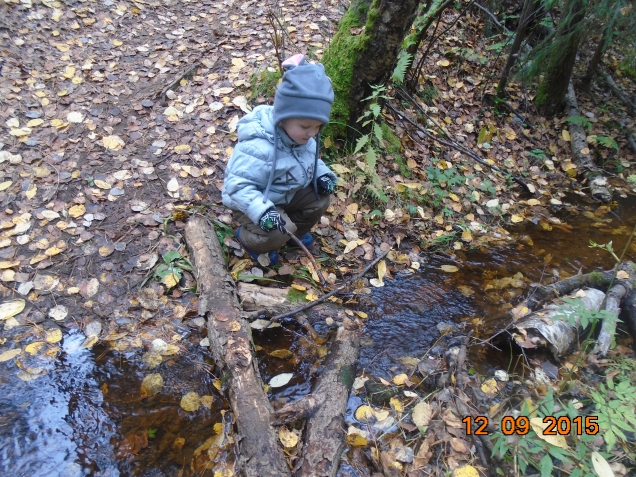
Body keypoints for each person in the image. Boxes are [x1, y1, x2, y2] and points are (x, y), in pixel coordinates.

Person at [222, 54, 337, 265]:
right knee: (279, 229)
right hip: (251, 201)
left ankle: (294, 235)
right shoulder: (258, 146)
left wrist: (322, 175)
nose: (312, 133)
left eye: (318, 127)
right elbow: (236, 186)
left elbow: (308, 161)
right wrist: (262, 212)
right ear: (283, 117)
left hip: (284, 192)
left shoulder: (301, 136)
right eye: (305, 126)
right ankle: (250, 239)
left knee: (320, 199)